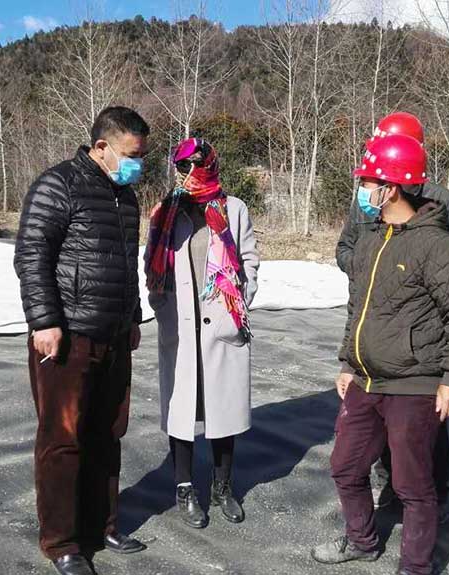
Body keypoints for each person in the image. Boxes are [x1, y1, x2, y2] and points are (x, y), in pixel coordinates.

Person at [312, 134, 449, 575]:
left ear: (389, 188)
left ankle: (415, 567)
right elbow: (359, 307)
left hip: (414, 384)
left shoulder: (436, 245)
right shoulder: (370, 237)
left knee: (412, 485)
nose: (361, 190)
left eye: (367, 182)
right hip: (365, 380)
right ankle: (362, 541)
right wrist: (347, 362)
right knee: (346, 467)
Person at [13, 107, 150, 575]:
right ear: (101, 147)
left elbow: (126, 264)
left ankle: (101, 525)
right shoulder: (58, 185)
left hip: (113, 335)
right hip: (67, 337)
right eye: (131, 155)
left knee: (107, 433)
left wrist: (132, 317)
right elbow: (32, 255)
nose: (137, 164)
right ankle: (62, 542)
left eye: (142, 156)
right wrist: (44, 321)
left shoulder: (125, 196)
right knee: (63, 440)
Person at [335, 111, 449, 515]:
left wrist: (417, 262)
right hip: (375, 317)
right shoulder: (369, 192)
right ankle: (391, 488)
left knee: (425, 428)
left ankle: (432, 493)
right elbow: (345, 247)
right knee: (373, 426)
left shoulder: (441, 200)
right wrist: (367, 266)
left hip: (419, 327)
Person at [145, 138, 259, 529]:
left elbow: (248, 260)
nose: (188, 172)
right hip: (180, 325)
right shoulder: (165, 212)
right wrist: (161, 308)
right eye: (181, 166)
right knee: (182, 413)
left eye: (195, 164)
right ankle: (184, 488)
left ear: (209, 164)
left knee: (221, 411)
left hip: (221, 322)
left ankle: (222, 487)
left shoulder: (233, 209)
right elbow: (151, 263)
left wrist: (237, 303)